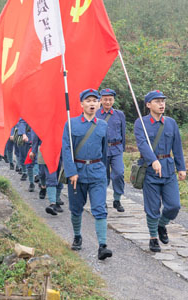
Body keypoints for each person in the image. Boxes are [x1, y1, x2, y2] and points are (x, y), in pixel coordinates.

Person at [61, 88, 112, 261]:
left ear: (99, 104)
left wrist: (105, 172)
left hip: (97, 171)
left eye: (94, 101)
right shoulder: (71, 124)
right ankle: (77, 236)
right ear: (81, 104)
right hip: (78, 172)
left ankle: (102, 246)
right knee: (76, 208)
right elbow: (66, 149)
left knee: (99, 208)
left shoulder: (103, 125)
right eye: (88, 101)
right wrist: (71, 171)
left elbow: (105, 151)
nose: (92, 103)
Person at [134, 90, 186, 253]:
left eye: (163, 101)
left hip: (168, 169)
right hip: (150, 170)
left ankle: (162, 225)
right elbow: (142, 144)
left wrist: (181, 167)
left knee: (174, 205)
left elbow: (177, 146)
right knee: (152, 206)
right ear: (148, 105)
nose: (161, 104)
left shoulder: (171, 123)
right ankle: (153, 238)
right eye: (157, 101)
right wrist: (153, 160)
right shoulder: (140, 123)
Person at [96, 88, 127, 213]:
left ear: (113, 100)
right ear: (101, 100)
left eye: (110, 99)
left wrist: (122, 148)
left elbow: (123, 132)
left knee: (119, 173)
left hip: (116, 148)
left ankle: (117, 199)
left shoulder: (119, 114)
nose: (108, 102)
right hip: (102, 149)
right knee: (103, 176)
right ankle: (102, 201)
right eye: (105, 99)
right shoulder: (96, 114)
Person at [31, 131, 65, 216]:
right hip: (46, 150)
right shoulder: (44, 118)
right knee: (48, 176)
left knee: (59, 177)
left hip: (62, 151)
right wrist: (33, 150)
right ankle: (52, 202)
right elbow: (36, 133)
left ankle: (56, 201)